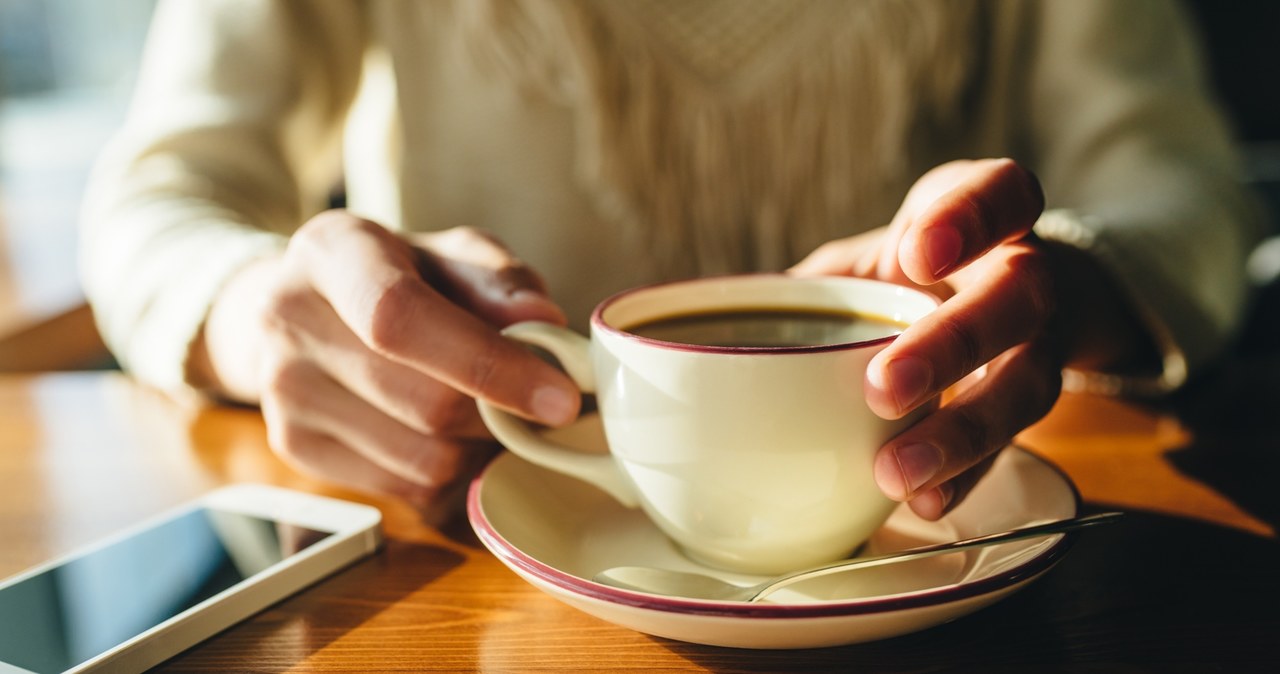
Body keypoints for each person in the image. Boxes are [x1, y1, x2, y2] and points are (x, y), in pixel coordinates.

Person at [81, 0, 1263, 520]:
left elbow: (1183, 185)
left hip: (927, 530)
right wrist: (257, 311)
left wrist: (1065, 280)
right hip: (480, 540)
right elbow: (159, 198)